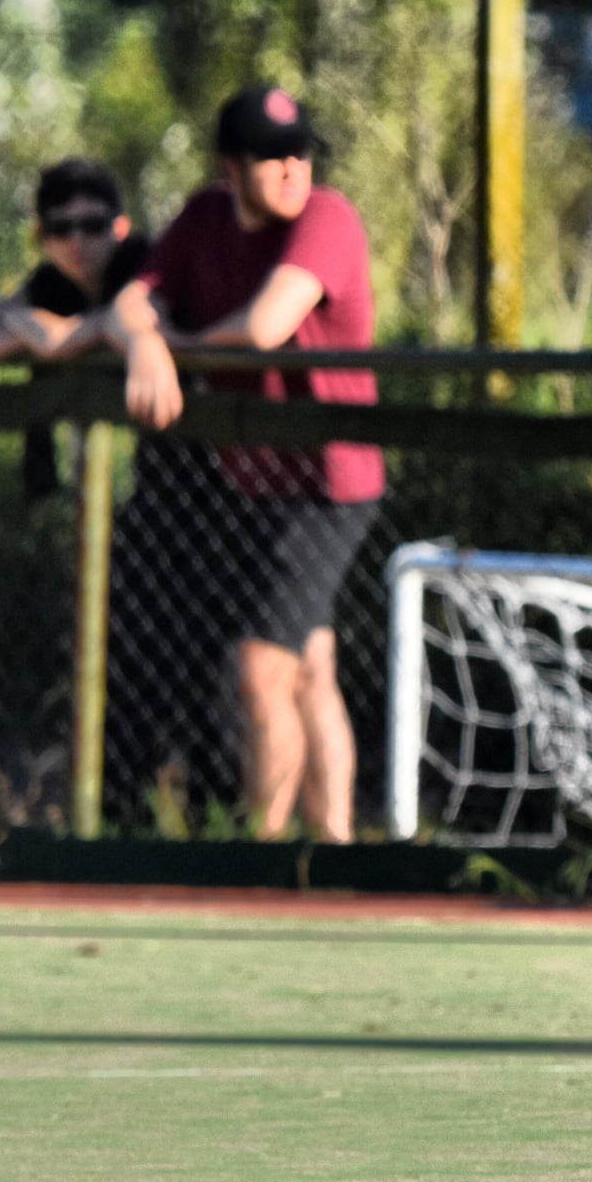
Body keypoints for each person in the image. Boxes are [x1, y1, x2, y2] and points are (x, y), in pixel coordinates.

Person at [109, 87, 382, 843]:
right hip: (251, 483)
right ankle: (335, 853)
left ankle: (258, 861)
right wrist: (141, 339)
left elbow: (266, 326)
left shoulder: (329, 218)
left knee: (262, 669)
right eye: (271, 154)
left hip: (327, 486)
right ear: (231, 167)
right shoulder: (203, 217)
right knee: (311, 670)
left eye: (301, 151)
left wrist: (174, 341)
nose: (294, 167)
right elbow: (128, 305)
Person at [0, 159, 152, 499]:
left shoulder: (144, 263)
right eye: (62, 228)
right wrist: (24, 323)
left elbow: (137, 318)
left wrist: (59, 335)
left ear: (121, 227)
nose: (77, 240)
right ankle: (44, 495)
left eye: (93, 224)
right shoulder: (49, 284)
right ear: (42, 235)